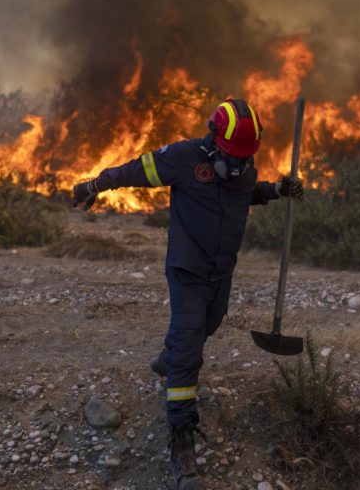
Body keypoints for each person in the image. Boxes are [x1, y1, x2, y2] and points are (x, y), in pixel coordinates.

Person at [72, 98, 303, 490]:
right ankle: (181, 442)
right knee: (190, 348)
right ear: (213, 137)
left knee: (209, 324)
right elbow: (135, 170)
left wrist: (277, 189)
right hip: (187, 270)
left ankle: (168, 357)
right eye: (231, 156)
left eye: (243, 159)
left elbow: (243, 194)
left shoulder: (243, 168)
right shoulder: (181, 158)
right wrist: (96, 184)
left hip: (221, 272)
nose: (235, 166)